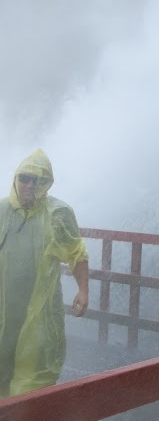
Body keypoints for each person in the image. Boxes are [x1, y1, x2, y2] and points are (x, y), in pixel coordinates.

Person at [0, 149, 89, 399]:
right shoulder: (2, 210)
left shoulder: (57, 213)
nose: (30, 185)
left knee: (37, 364)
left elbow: (76, 252)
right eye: (25, 178)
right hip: (4, 304)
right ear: (15, 178)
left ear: (46, 183)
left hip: (40, 306)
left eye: (38, 180)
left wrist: (83, 289)